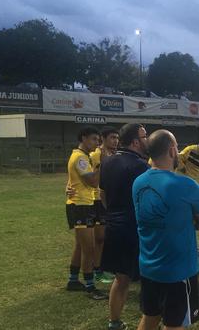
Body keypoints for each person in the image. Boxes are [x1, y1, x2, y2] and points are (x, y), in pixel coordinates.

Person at [133, 130, 199, 330]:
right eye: (177, 147)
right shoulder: (185, 184)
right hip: (178, 271)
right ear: (171, 151)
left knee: (150, 316)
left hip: (148, 266)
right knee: (175, 324)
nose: (178, 151)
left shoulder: (138, 182)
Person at [100, 123, 150, 330]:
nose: (148, 139)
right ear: (136, 142)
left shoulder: (108, 162)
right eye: (145, 136)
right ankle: (151, 320)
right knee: (150, 279)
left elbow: (103, 195)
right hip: (136, 228)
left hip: (113, 225)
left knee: (121, 278)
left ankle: (114, 322)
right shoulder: (141, 166)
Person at [64, 126, 107, 300]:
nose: (97, 143)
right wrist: (102, 164)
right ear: (83, 138)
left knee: (81, 246)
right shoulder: (80, 158)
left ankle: (73, 280)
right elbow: (93, 182)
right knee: (89, 248)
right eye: (94, 139)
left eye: (98, 140)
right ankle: (90, 286)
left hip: (84, 203)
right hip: (80, 205)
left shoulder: (84, 156)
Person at [90, 126, 120, 284]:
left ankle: (103, 267)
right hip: (96, 199)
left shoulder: (113, 155)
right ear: (103, 138)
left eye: (117, 138)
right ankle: (96, 269)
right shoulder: (97, 154)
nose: (115, 141)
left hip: (109, 197)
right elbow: (92, 178)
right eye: (112, 138)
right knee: (100, 237)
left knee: (106, 237)